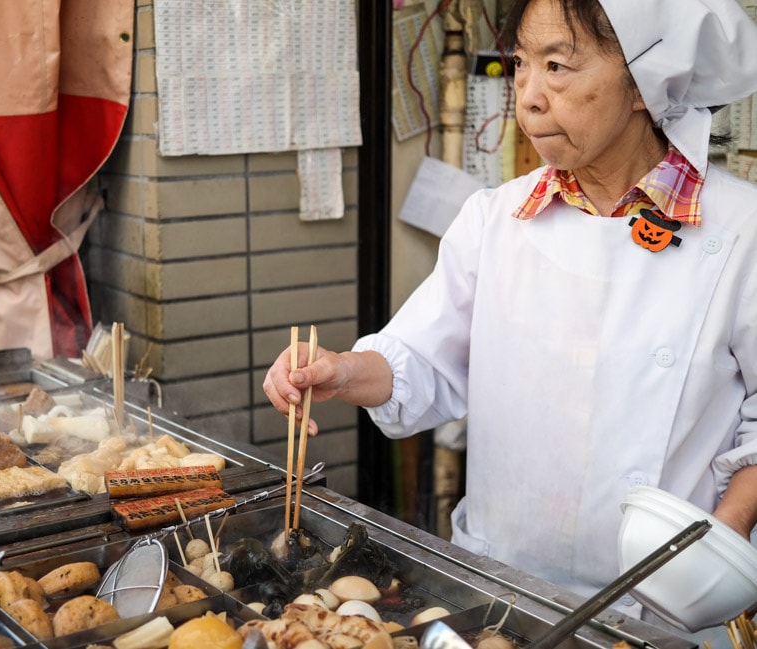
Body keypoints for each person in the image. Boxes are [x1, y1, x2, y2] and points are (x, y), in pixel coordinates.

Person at [263, 0, 757, 636]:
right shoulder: (495, 217)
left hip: (662, 608)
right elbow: (420, 360)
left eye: (557, 66)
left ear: (643, 79)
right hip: (497, 589)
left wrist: (728, 530)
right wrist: (340, 370)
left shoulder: (742, 229)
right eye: (521, 64)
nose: (527, 96)